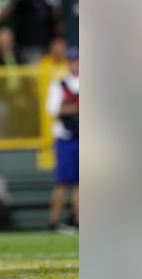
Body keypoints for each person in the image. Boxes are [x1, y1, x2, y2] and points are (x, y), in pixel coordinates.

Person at [45, 47, 79, 234]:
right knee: (62, 182)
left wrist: (70, 108)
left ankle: (78, 221)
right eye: (74, 61)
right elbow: (53, 109)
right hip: (66, 139)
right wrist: (74, 108)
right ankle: (54, 221)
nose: (77, 64)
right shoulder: (59, 85)